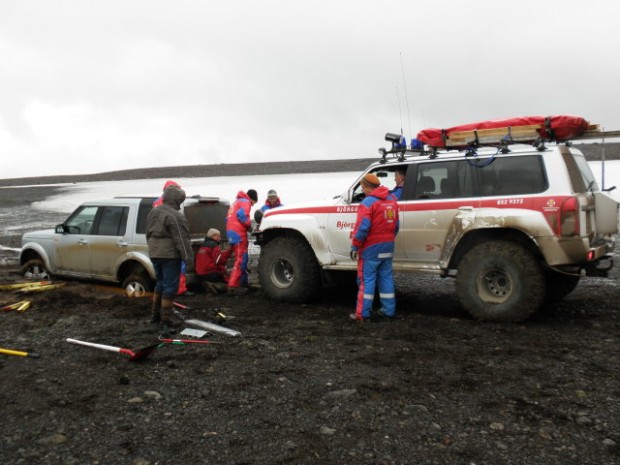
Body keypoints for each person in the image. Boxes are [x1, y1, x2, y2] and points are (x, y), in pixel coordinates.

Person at [350, 173, 400, 321]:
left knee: (367, 280)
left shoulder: (368, 203)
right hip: (388, 247)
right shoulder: (392, 200)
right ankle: (388, 311)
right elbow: (396, 226)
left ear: (366, 187)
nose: (363, 191)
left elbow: (362, 228)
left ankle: (362, 314)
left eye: (363, 188)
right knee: (386, 278)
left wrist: (355, 246)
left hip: (370, 249)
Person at [146, 184, 194, 335]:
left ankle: (155, 317)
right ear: (177, 200)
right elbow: (182, 240)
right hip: (169, 255)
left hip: (154, 252)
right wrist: (189, 260)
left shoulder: (153, 212)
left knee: (160, 283)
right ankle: (165, 321)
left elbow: (147, 233)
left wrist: (153, 249)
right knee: (170, 287)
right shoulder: (176, 216)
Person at [153, 179, 192, 295]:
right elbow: (174, 224)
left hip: (156, 246)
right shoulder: (169, 205)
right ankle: (179, 290)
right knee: (178, 267)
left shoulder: (156, 203)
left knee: (161, 279)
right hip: (170, 243)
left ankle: (158, 308)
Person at [226, 189, 258, 295]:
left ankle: (243, 283)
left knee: (243, 258)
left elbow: (227, 219)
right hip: (238, 234)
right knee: (240, 260)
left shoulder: (235, 202)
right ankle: (232, 286)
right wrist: (249, 227)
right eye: (253, 203)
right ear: (252, 199)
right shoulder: (246, 202)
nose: (252, 205)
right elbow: (242, 215)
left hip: (231, 233)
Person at [195, 228, 232, 295]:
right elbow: (219, 260)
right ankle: (214, 286)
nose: (220, 238)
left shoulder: (202, 246)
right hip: (210, 274)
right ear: (213, 236)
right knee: (231, 284)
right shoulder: (214, 245)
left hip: (199, 275)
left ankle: (208, 285)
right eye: (218, 236)